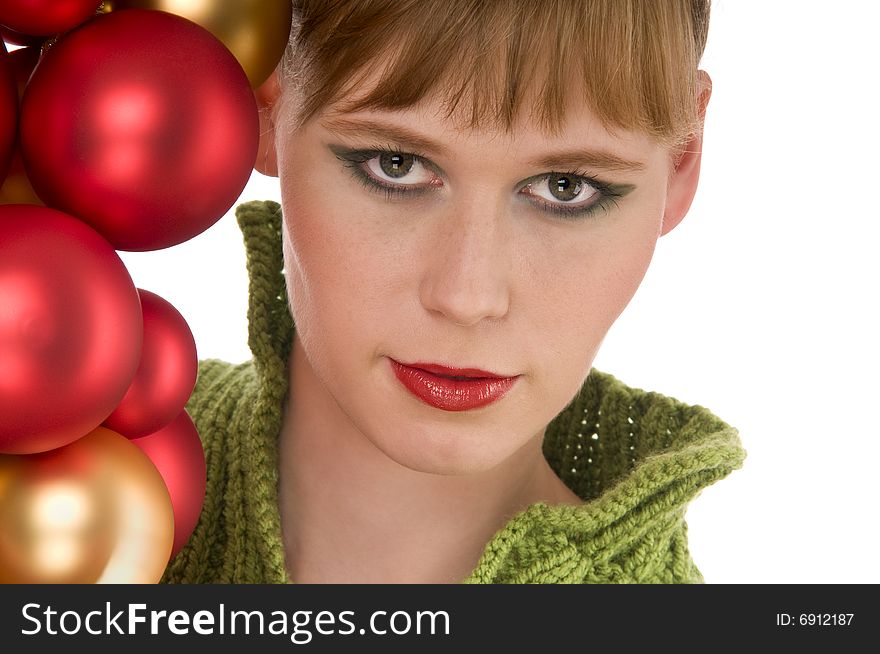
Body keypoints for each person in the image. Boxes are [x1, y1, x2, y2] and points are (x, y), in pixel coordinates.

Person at [162, 0, 746, 584]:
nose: (467, 297)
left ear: (682, 160)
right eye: (396, 165)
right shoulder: (87, 463)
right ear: (269, 106)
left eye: (566, 188)